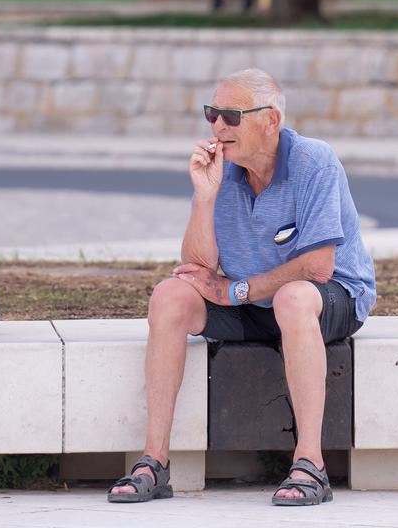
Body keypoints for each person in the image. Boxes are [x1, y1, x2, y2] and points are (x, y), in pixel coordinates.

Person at [108, 69, 376, 507]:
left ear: (270, 120)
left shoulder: (313, 160)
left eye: (230, 116)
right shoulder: (223, 170)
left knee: (292, 298)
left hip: (326, 297)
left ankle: (311, 463)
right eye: (212, 114)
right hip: (252, 302)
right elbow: (195, 268)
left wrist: (237, 291)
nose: (217, 127)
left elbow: (318, 266)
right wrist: (205, 195)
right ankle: (154, 461)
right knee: (168, 296)